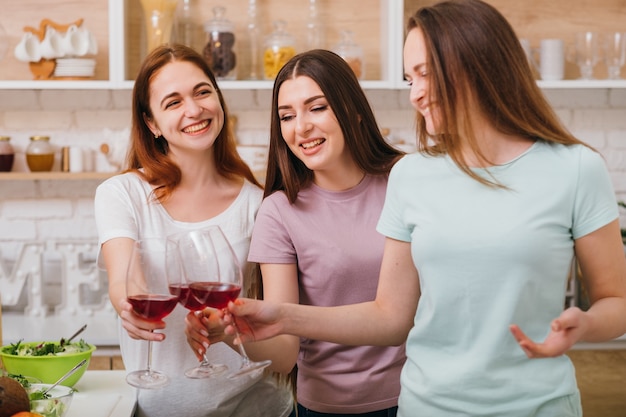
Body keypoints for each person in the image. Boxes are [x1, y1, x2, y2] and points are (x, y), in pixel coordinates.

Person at [223, 1, 626, 416]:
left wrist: (587, 325)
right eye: (407, 76)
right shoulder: (412, 175)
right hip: (427, 406)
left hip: (542, 406)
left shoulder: (576, 168)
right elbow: (390, 318)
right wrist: (282, 318)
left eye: (424, 74)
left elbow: (616, 301)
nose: (414, 93)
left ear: (477, 63)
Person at [186, 49, 406, 417]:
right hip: (327, 408)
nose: (300, 127)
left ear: (352, 109)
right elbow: (285, 354)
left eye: (317, 108)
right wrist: (230, 332)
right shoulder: (279, 211)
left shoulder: (404, 182)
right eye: (286, 116)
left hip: (417, 397)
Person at [94, 44, 293, 417]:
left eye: (202, 92)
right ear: (151, 123)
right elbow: (125, 279)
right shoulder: (121, 194)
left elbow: (284, 354)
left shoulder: (259, 204)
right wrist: (130, 304)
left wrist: (228, 330)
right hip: (153, 411)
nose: (194, 109)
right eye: (172, 102)